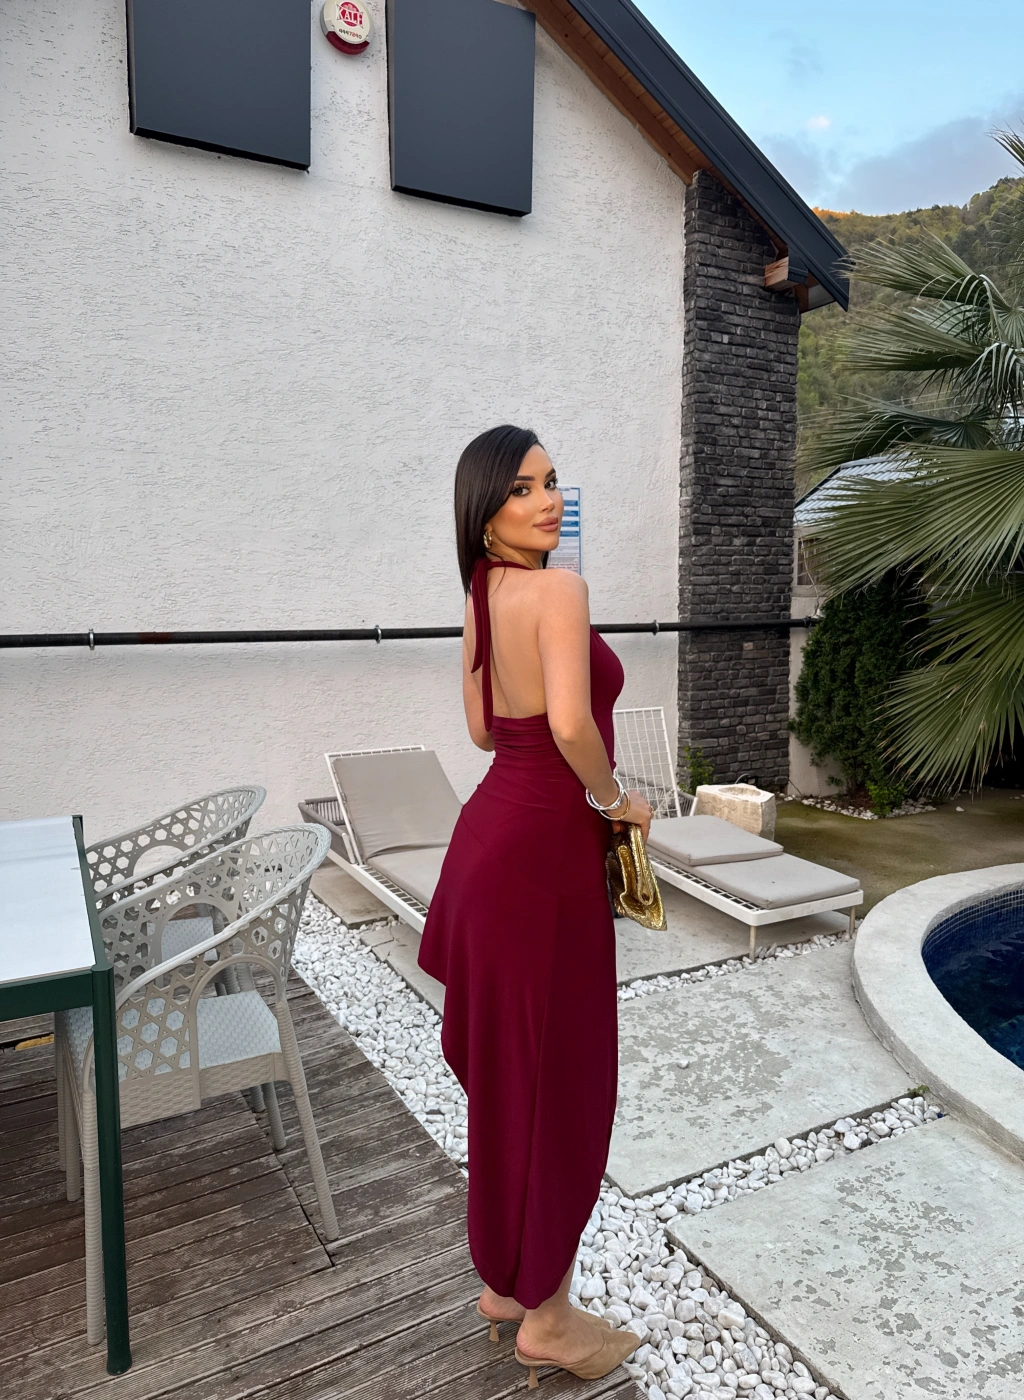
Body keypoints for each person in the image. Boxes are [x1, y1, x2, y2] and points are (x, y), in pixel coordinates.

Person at [418, 424, 652, 1388]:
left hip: (487, 850)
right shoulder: (559, 591)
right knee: (560, 1086)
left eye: (552, 482)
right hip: (543, 867)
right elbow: (567, 724)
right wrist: (617, 802)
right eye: (522, 488)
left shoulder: (482, 595)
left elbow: (484, 730)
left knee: (513, 1083)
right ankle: (549, 1319)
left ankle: (507, 1286)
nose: (548, 500)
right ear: (486, 511)